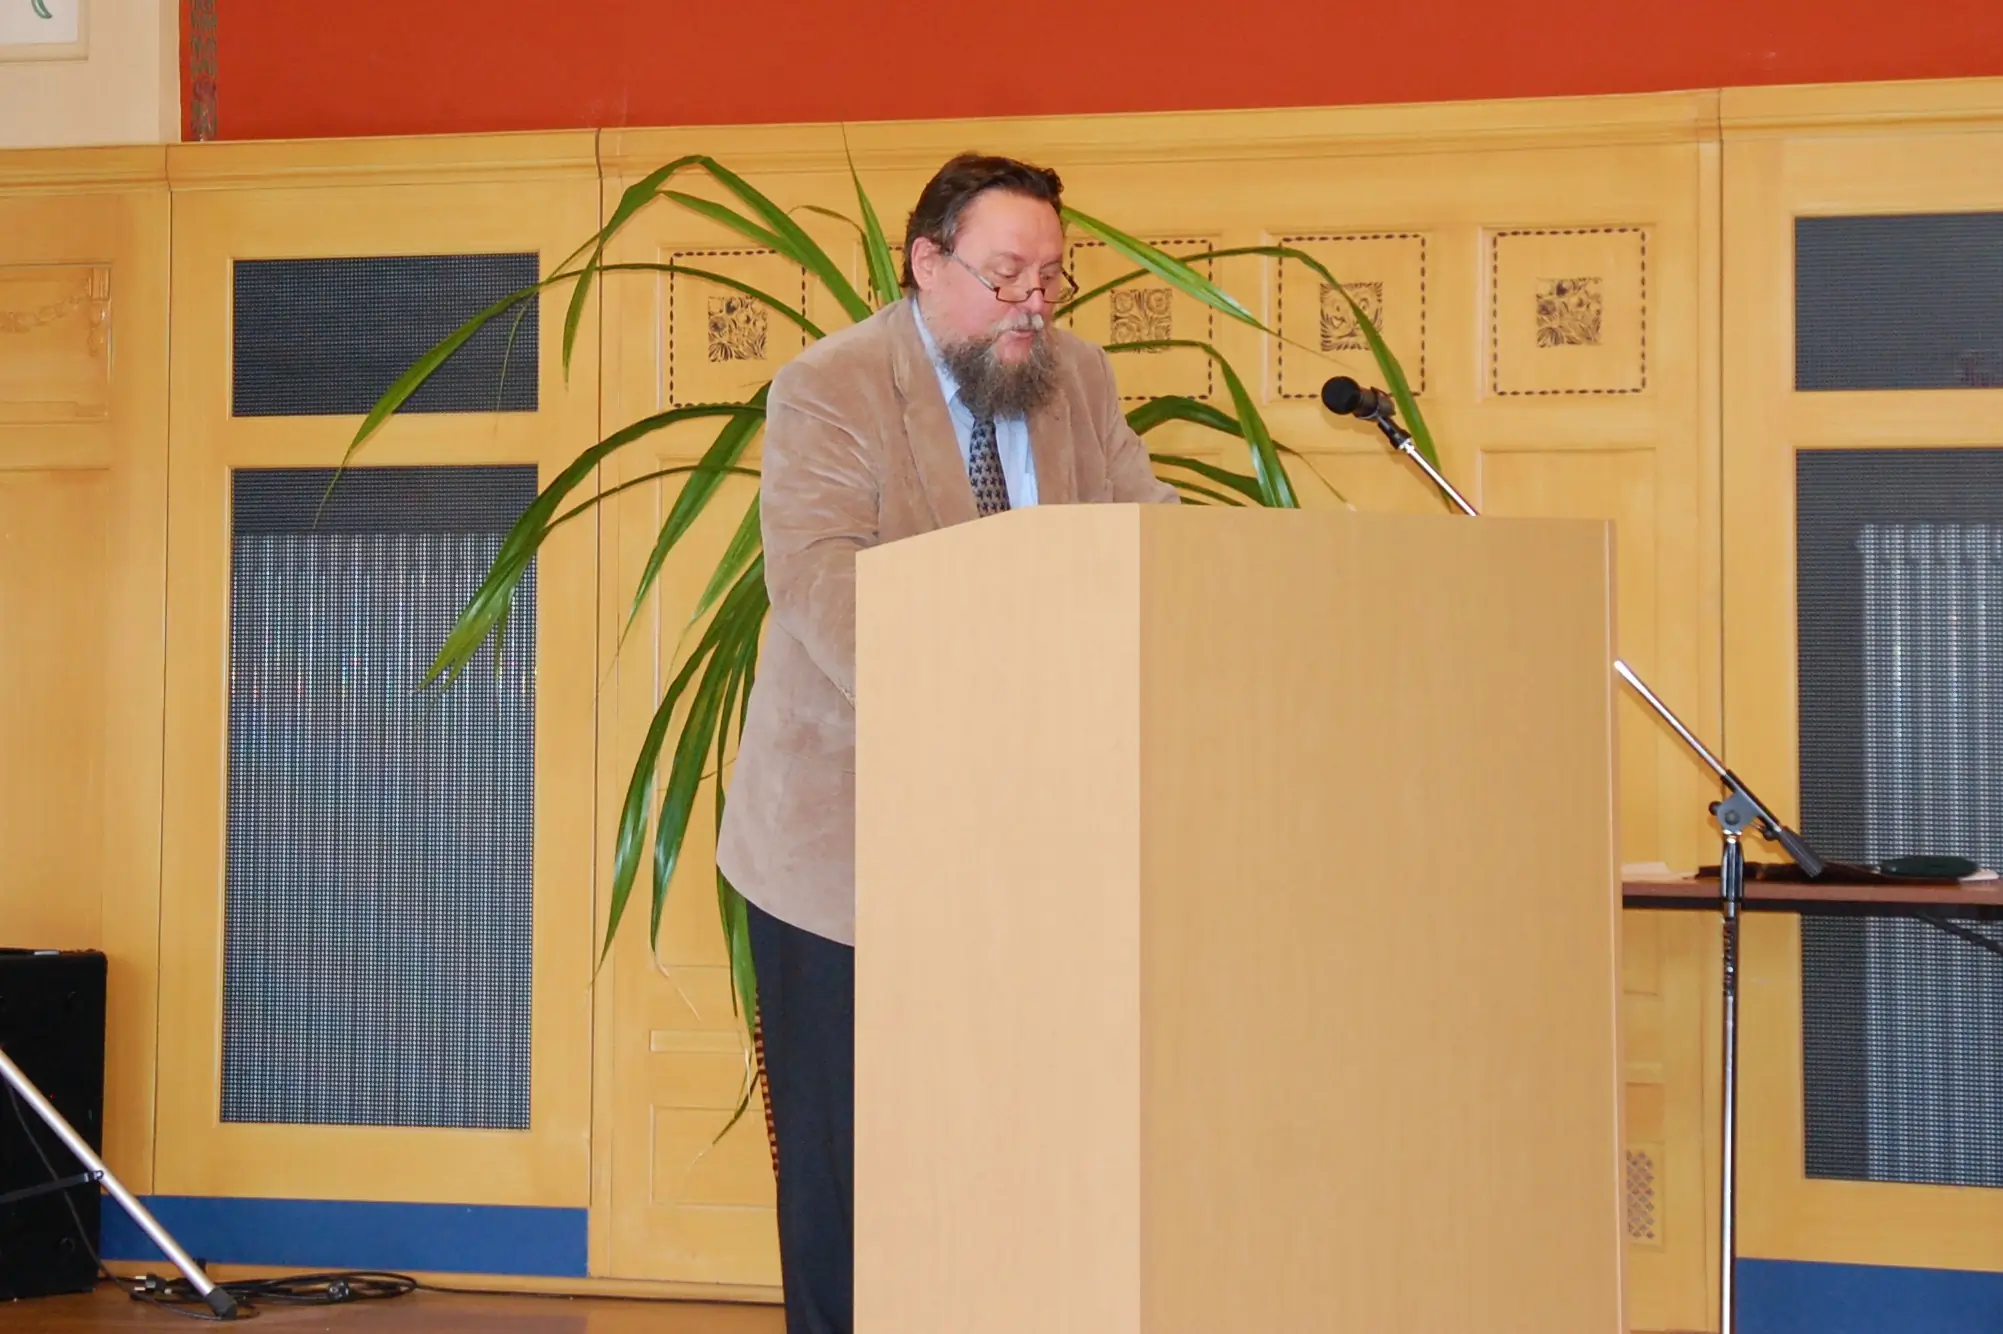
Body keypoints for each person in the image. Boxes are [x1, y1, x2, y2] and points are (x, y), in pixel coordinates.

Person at [714, 152, 1178, 1333]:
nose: (1031, 305)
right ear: (925, 262)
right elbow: (820, 585)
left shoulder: (1078, 379)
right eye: (1004, 276)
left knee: (1007, 1149)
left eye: (1050, 278)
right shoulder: (828, 386)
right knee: (849, 1173)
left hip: (1026, 850)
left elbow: (1150, 542)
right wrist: (993, 715)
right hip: (843, 857)